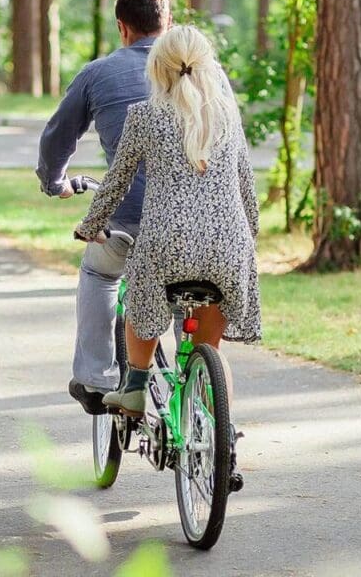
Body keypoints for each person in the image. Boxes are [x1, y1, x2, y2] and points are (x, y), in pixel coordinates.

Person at [72, 25, 261, 415]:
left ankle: (135, 387)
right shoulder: (228, 116)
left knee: (139, 300)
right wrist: (249, 237)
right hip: (228, 247)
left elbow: (117, 182)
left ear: (158, 68)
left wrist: (90, 226)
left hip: (166, 246)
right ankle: (218, 426)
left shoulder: (145, 115)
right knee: (209, 348)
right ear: (207, 67)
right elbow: (246, 185)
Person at [37, 0, 170, 415]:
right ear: (167, 24)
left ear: (122, 27)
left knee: (100, 274)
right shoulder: (195, 72)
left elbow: (57, 136)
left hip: (126, 222)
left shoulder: (98, 74)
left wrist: (54, 182)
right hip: (192, 222)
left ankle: (95, 378)